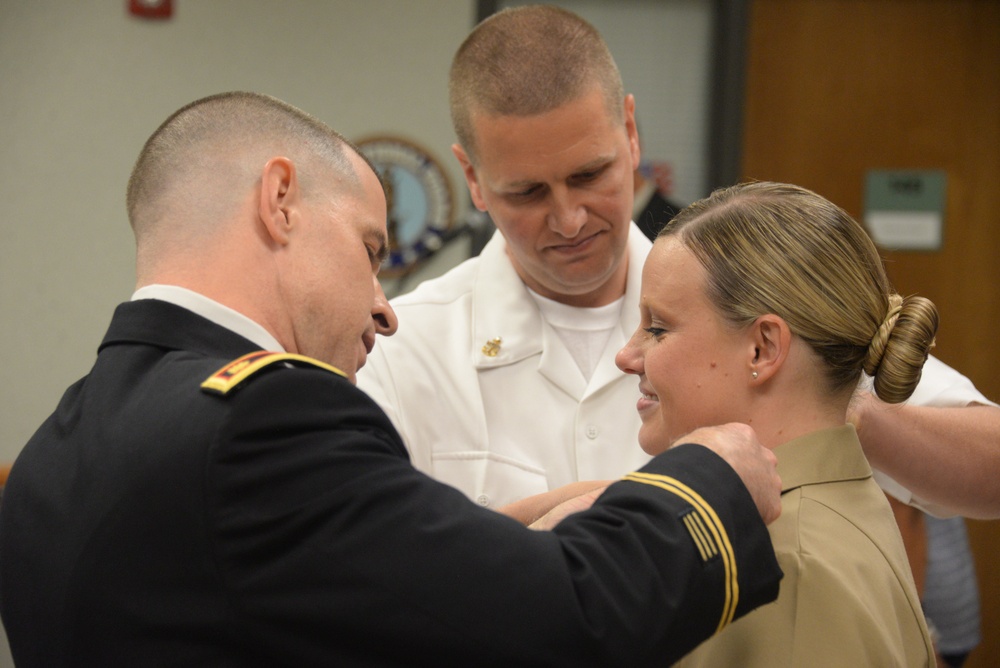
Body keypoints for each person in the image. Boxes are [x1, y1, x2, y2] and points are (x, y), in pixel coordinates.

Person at [0, 91, 783, 667]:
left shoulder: (58, 447)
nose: (386, 309)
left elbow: (333, 589)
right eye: (372, 250)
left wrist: (535, 524)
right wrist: (707, 481)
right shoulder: (263, 416)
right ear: (280, 201)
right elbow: (561, 623)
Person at [356, 3, 1000, 520]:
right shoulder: (398, 350)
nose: (570, 219)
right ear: (471, 176)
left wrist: (823, 404)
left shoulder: (754, 300)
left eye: (590, 174)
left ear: (631, 134)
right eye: (526, 192)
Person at [615, 181, 935, 665]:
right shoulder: (823, 507)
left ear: (762, 348)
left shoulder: (784, 566)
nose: (627, 356)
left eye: (658, 328)